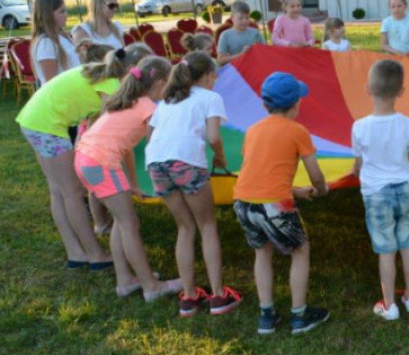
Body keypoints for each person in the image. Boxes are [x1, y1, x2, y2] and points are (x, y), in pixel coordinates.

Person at [74, 55, 184, 301]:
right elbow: (158, 144)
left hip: (86, 159)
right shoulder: (148, 109)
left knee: (121, 222)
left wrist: (132, 184)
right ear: (160, 84)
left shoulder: (128, 101)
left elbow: (127, 152)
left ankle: (125, 281)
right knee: (129, 224)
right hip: (101, 163)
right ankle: (151, 286)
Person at [233, 72, 330, 335]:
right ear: (297, 104)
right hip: (274, 205)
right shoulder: (298, 131)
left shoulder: (252, 131)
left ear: (264, 105)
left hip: (243, 202)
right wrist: (321, 189)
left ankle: (267, 316)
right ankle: (299, 315)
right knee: (300, 249)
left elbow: (260, 174)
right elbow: (315, 173)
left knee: (262, 252)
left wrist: (296, 192)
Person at [146, 52, 242, 317]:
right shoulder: (211, 98)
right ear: (211, 75)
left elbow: (150, 134)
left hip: (156, 163)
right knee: (207, 225)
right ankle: (219, 295)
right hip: (186, 162)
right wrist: (220, 157)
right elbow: (213, 136)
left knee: (185, 227)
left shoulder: (167, 100)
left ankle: (188, 298)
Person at [15, 49, 130, 269]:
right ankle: (95, 254)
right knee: (72, 192)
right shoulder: (112, 87)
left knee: (58, 190)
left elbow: (94, 123)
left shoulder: (99, 73)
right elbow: (110, 128)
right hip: (47, 126)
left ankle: (75, 252)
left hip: (33, 119)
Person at [351, 60, 409, 320]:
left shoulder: (359, 127)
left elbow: (358, 163)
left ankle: (389, 304)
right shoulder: (408, 124)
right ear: (401, 91)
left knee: (386, 249)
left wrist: (356, 169)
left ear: (368, 89)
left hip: (376, 193)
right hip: (406, 188)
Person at [30, 0, 80, 85]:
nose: (66, 15)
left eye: (65, 11)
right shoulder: (46, 43)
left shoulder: (63, 36)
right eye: (61, 12)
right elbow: (51, 81)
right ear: (48, 15)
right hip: (61, 96)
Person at [217, 1, 263, 65]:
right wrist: (240, 55)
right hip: (236, 69)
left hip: (255, 67)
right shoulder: (225, 35)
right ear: (232, 18)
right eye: (240, 18)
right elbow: (220, 60)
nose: (244, 21)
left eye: (247, 18)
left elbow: (264, 51)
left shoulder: (255, 33)